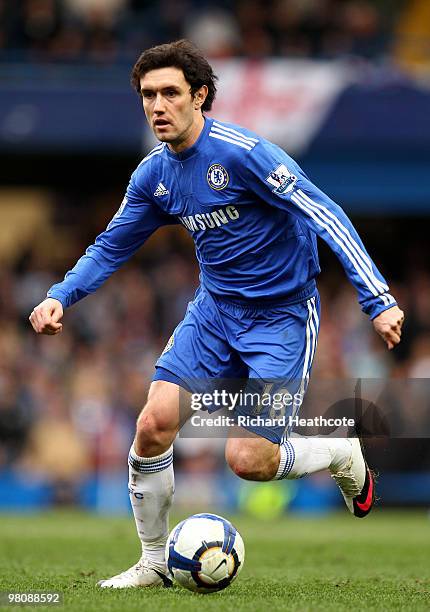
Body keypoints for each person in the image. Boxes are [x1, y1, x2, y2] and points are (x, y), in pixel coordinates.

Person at [29, 39, 404, 588]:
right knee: (152, 425)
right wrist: (62, 294)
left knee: (248, 461)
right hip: (214, 312)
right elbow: (111, 245)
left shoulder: (246, 155)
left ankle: (342, 452)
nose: (157, 106)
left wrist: (378, 299)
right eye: (148, 95)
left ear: (200, 96)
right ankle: (154, 561)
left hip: (281, 319)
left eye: (170, 94)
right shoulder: (154, 175)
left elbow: (326, 212)